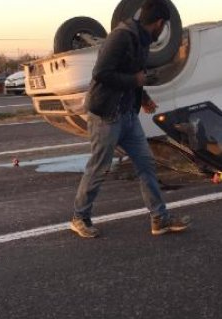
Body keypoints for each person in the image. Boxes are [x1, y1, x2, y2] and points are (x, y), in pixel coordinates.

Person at [70, 0, 190, 238]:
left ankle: (160, 219)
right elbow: (102, 74)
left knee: (146, 164)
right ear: (158, 23)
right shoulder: (121, 37)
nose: (163, 31)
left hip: (127, 114)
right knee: (99, 168)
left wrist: (142, 96)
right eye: (163, 26)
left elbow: (133, 72)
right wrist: (134, 82)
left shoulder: (142, 40)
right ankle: (79, 217)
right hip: (106, 115)